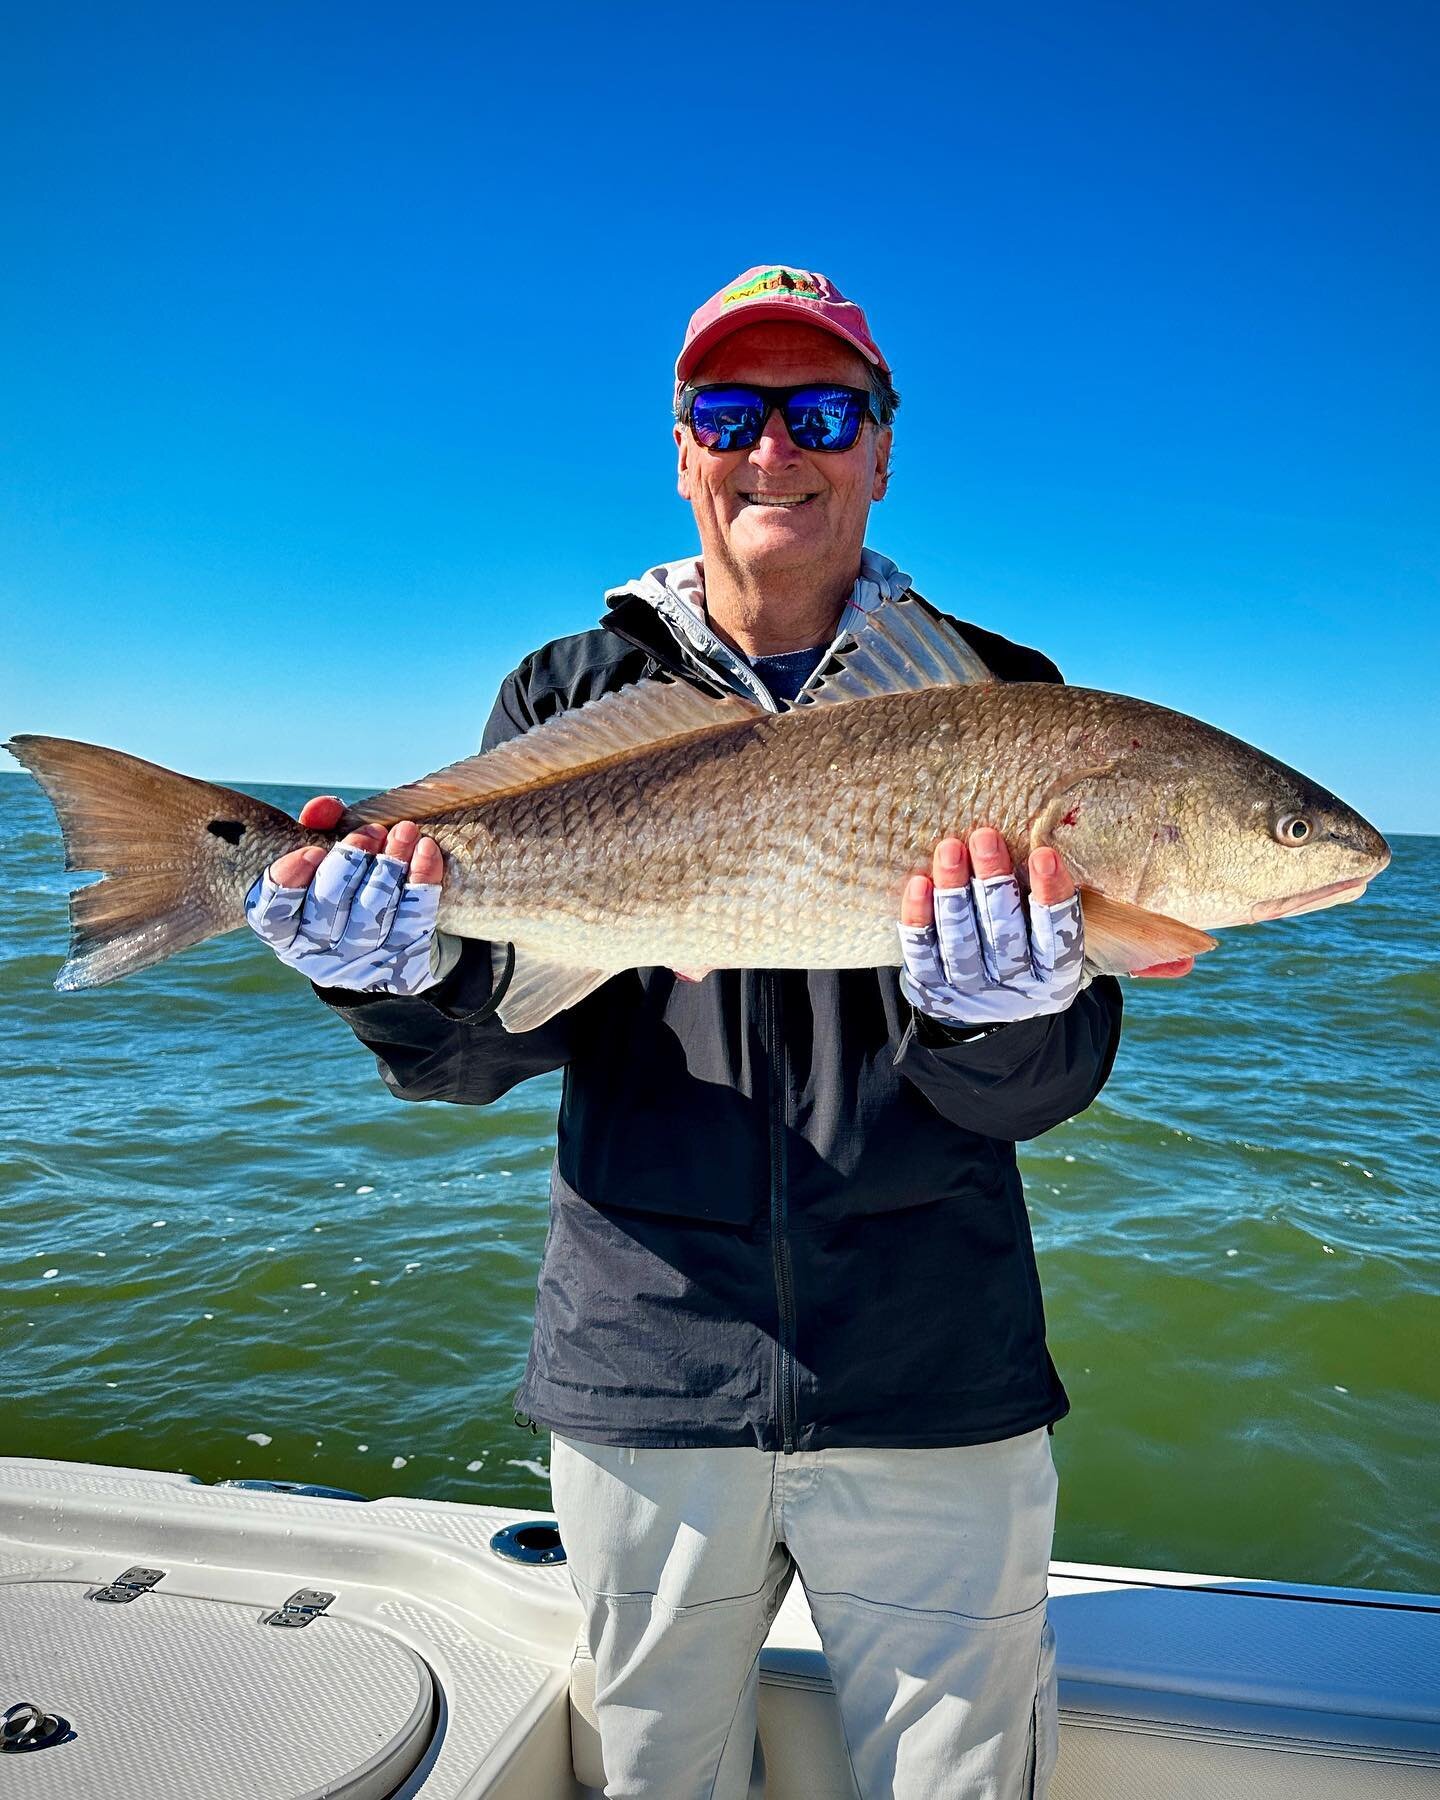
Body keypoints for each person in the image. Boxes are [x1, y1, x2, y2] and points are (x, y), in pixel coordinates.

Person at [246, 265, 1139, 1799]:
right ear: (683, 450)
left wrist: (1006, 1017)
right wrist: (384, 978)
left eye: (820, 409)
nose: (773, 447)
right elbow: (479, 1055)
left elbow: (1038, 1088)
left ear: (879, 445)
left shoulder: (1005, 699)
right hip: (645, 1375)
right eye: (731, 411)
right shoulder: (565, 690)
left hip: (936, 1378)